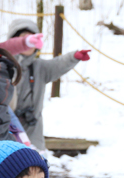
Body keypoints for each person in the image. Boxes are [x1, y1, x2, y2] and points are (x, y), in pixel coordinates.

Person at [8, 19, 91, 151]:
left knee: (35, 166)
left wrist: (74, 56)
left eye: (33, 39)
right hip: (7, 129)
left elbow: (58, 64)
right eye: (24, 38)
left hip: (33, 131)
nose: (29, 43)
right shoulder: (3, 66)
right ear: (13, 41)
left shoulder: (40, 67)